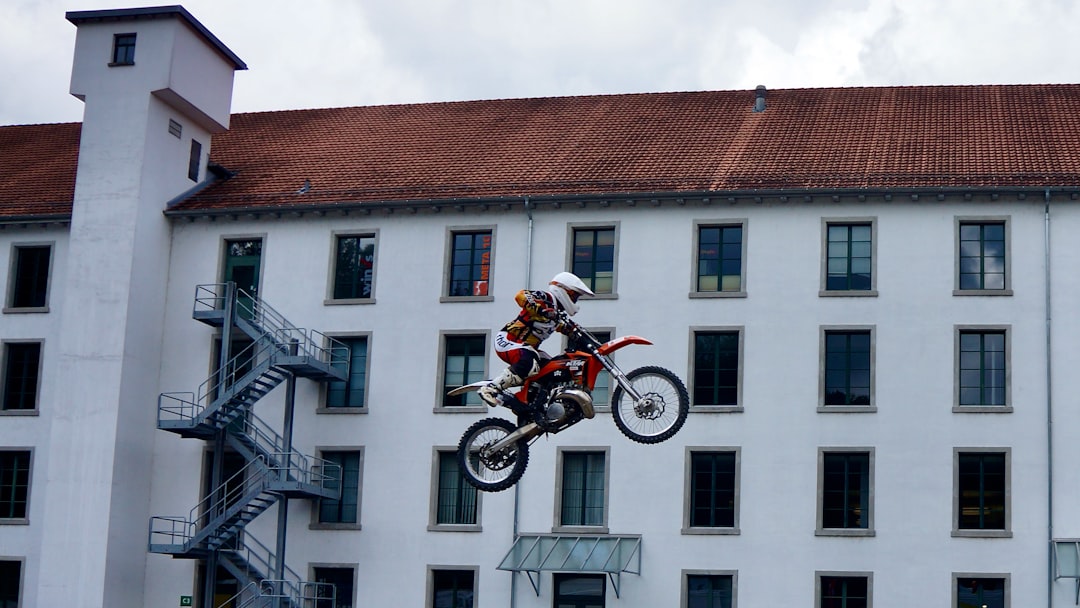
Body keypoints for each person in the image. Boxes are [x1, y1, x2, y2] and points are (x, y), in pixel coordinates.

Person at [478, 271, 594, 410]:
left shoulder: (558, 315)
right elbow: (520, 295)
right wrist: (541, 309)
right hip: (509, 340)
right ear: (564, 290)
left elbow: (567, 328)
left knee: (553, 367)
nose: (575, 301)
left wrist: (585, 339)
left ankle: (532, 401)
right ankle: (491, 388)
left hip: (528, 348)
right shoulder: (546, 298)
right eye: (574, 296)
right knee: (530, 361)